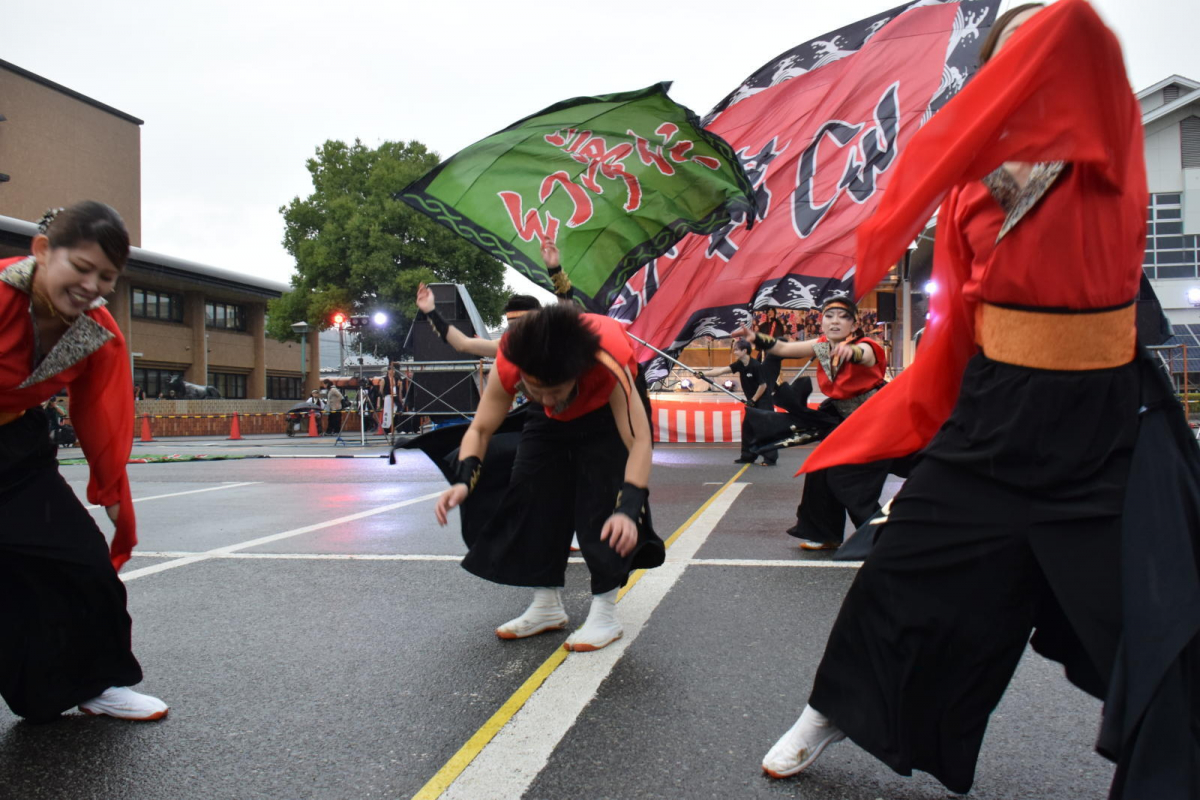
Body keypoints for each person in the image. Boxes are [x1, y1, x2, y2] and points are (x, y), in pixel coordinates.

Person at [759, 4, 1199, 799]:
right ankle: (830, 711)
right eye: (1011, 60)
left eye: (1036, 58)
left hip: (1102, 427)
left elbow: (1072, 31)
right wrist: (914, 417)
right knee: (902, 569)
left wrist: (1027, 25)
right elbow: (956, 327)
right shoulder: (968, 190)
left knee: (1152, 607)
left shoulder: (1107, 145)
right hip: (996, 415)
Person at [0, 201, 168, 722]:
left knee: (84, 564)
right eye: (81, 267)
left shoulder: (98, 334)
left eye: (106, 277)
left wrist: (113, 491)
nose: (91, 285)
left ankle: (96, 684)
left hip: (16, 450)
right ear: (44, 250)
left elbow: (102, 415)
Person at [433, 303, 663, 652]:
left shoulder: (606, 358)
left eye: (555, 391)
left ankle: (604, 612)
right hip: (551, 417)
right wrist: (464, 480)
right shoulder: (514, 358)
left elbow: (638, 441)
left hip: (604, 407)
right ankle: (546, 605)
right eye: (535, 390)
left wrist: (628, 509)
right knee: (531, 494)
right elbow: (480, 428)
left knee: (600, 503)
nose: (549, 400)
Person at [734, 295, 888, 549]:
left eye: (843, 317)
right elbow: (783, 349)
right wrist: (756, 338)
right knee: (819, 470)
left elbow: (867, 356)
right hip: (842, 419)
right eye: (829, 316)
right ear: (822, 322)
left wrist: (853, 352)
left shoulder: (867, 344)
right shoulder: (822, 345)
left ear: (854, 323)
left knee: (847, 479)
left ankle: (884, 540)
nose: (835, 322)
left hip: (874, 421)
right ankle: (823, 534)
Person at [697, 340, 777, 466]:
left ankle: (770, 458)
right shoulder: (740, 364)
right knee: (748, 430)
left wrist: (753, 400)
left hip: (763, 402)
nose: (734, 352)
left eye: (736, 350)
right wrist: (702, 374)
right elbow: (721, 371)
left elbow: (763, 386)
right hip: (752, 403)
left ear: (745, 351)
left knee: (765, 430)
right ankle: (748, 456)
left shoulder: (756, 366)